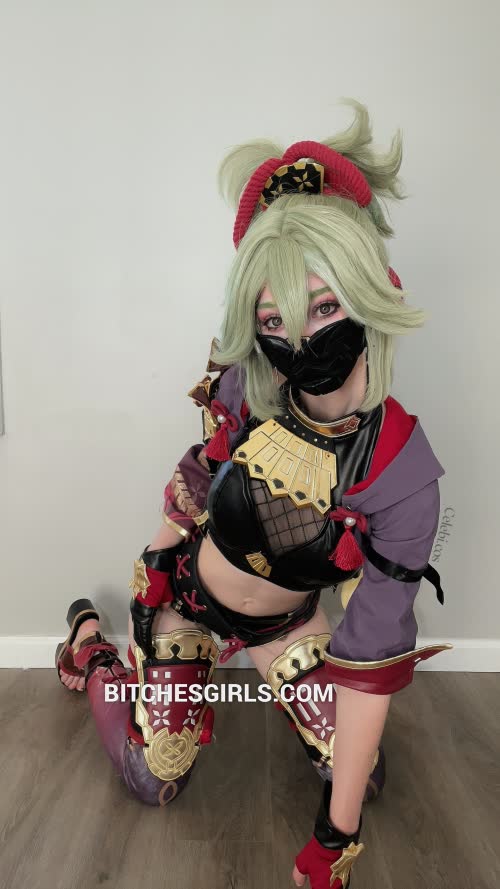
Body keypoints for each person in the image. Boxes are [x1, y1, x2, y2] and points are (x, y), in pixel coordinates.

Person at [56, 98, 451, 889]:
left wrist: (334, 838)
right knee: (153, 776)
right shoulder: (249, 383)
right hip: (191, 605)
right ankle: (89, 644)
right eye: (275, 321)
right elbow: (196, 476)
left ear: (371, 290)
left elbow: (372, 656)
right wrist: (152, 579)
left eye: (326, 307)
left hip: (288, 623)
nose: (301, 340)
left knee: (363, 775)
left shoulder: (402, 474)